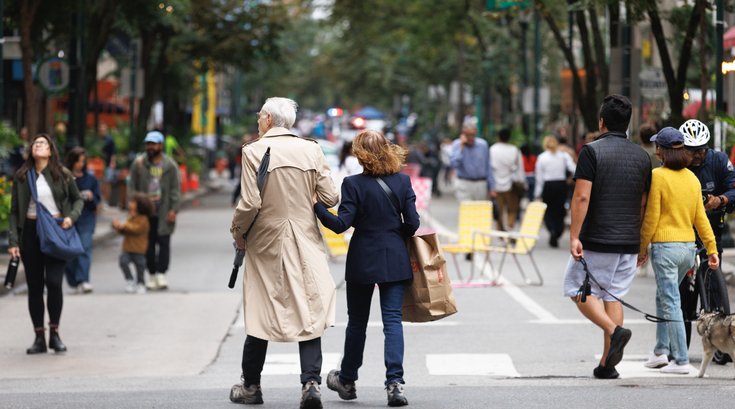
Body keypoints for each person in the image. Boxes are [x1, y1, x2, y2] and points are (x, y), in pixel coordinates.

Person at [229, 97, 339, 409]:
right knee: (309, 310)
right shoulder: (312, 149)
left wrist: (238, 233)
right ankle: (311, 384)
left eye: (258, 116)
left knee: (261, 310)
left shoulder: (253, 151)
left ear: (267, 119)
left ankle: (251, 386)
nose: (257, 120)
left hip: (265, 239)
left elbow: (249, 204)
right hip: (304, 237)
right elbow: (330, 196)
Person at [314, 129, 419, 407]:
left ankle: (347, 380)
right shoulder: (402, 182)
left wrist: (317, 207)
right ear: (387, 149)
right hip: (395, 257)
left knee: (357, 323)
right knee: (392, 321)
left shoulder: (353, 184)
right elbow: (413, 224)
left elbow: (341, 225)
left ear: (359, 155)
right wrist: (395, 231)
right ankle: (395, 384)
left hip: (362, 259)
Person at [563, 95, 652, 379]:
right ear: (628, 124)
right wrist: (642, 241)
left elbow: (581, 196)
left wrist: (574, 235)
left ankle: (615, 332)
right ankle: (606, 365)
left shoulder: (591, 152)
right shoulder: (642, 156)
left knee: (577, 289)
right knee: (613, 296)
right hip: (628, 240)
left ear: (601, 122)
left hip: (598, 239)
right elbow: (644, 203)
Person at [638, 127, 719, 374]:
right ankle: (660, 351)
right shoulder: (692, 179)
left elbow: (651, 218)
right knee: (665, 297)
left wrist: (641, 248)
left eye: (657, 146)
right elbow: (700, 218)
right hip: (687, 250)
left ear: (661, 151)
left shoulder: (658, 176)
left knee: (671, 300)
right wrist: (712, 247)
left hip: (665, 247)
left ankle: (681, 360)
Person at [8, 133, 83, 354]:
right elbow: (14, 212)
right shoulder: (22, 176)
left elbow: (78, 198)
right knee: (35, 287)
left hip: (56, 230)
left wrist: (71, 217)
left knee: (54, 282)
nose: (38, 145)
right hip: (31, 233)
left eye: (43, 143)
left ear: (50, 150)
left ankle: (55, 333)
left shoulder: (62, 174)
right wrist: (14, 241)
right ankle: (39, 337)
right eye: (35, 143)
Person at [679, 119, 735, 359]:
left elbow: (733, 188)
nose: (697, 155)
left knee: (714, 281)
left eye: (701, 150)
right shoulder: (675, 164)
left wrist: (720, 200)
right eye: (692, 151)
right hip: (683, 232)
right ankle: (680, 334)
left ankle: (721, 338)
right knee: (682, 291)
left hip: (712, 229)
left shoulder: (719, 160)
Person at [128, 130, 181, 291]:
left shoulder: (170, 165)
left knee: (164, 242)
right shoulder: (138, 163)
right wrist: (133, 206)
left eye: (153, 144)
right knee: (148, 244)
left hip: (164, 210)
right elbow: (131, 187)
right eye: (148, 144)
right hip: (145, 211)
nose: (150, 147)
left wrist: (174, 209)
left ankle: (161, 274)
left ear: (160, 145)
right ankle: (151, 273)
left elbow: (175, 189)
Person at [63, 147, 101, 294]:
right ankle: (74, 280)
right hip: (69, 219)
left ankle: (84, 279)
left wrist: (91, 197)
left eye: (83, 161)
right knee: (70, 251)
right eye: (79, 161)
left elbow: (97, 200)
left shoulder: (90, 179)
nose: (81, 164)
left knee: (85, 248)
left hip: (86, 218)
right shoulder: (64, 178)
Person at [534, 136, 576, 248]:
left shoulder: (542, 157)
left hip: (548, 186)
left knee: (548, 210)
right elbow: (574, 169)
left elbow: (539, 177)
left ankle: (551, 229)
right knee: (560, 210)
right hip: (561, 185)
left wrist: (537, 193)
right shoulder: (563, 156)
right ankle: (557, 230)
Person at [112, 193, 152, 295]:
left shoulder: (144, 219)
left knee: (140, 267)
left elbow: (136, 229)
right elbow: (126, 230)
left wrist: (123, 226)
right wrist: (117, 227)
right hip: (127, 248)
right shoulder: (130, 217)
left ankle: (140, 283)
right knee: (123, 261)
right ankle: (129, 279)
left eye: (133, 202)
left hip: (139, 249)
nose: (130, 204)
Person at [490, 128, 526, 231]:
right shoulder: (514, 150)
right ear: (509, 138)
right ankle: (510, 228)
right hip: (511, 185)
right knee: (512, 210)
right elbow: (520, 169)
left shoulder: (492, 149)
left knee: (499, 211)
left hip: (496, 185)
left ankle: (501, 232)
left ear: (498, 137)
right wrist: (522, 182)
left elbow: (490, 168)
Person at [448, 125, 495, 202]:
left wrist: (492, 187)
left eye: (473, 135)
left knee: (479, 211)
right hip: (463, 183)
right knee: (466, 210)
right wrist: (461, 148)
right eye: (468, 135)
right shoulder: (457, 145)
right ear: (463, 134)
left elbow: (488, 167)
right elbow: (453, 164)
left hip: (480, 184)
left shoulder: (483, 145)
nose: (470, 137)